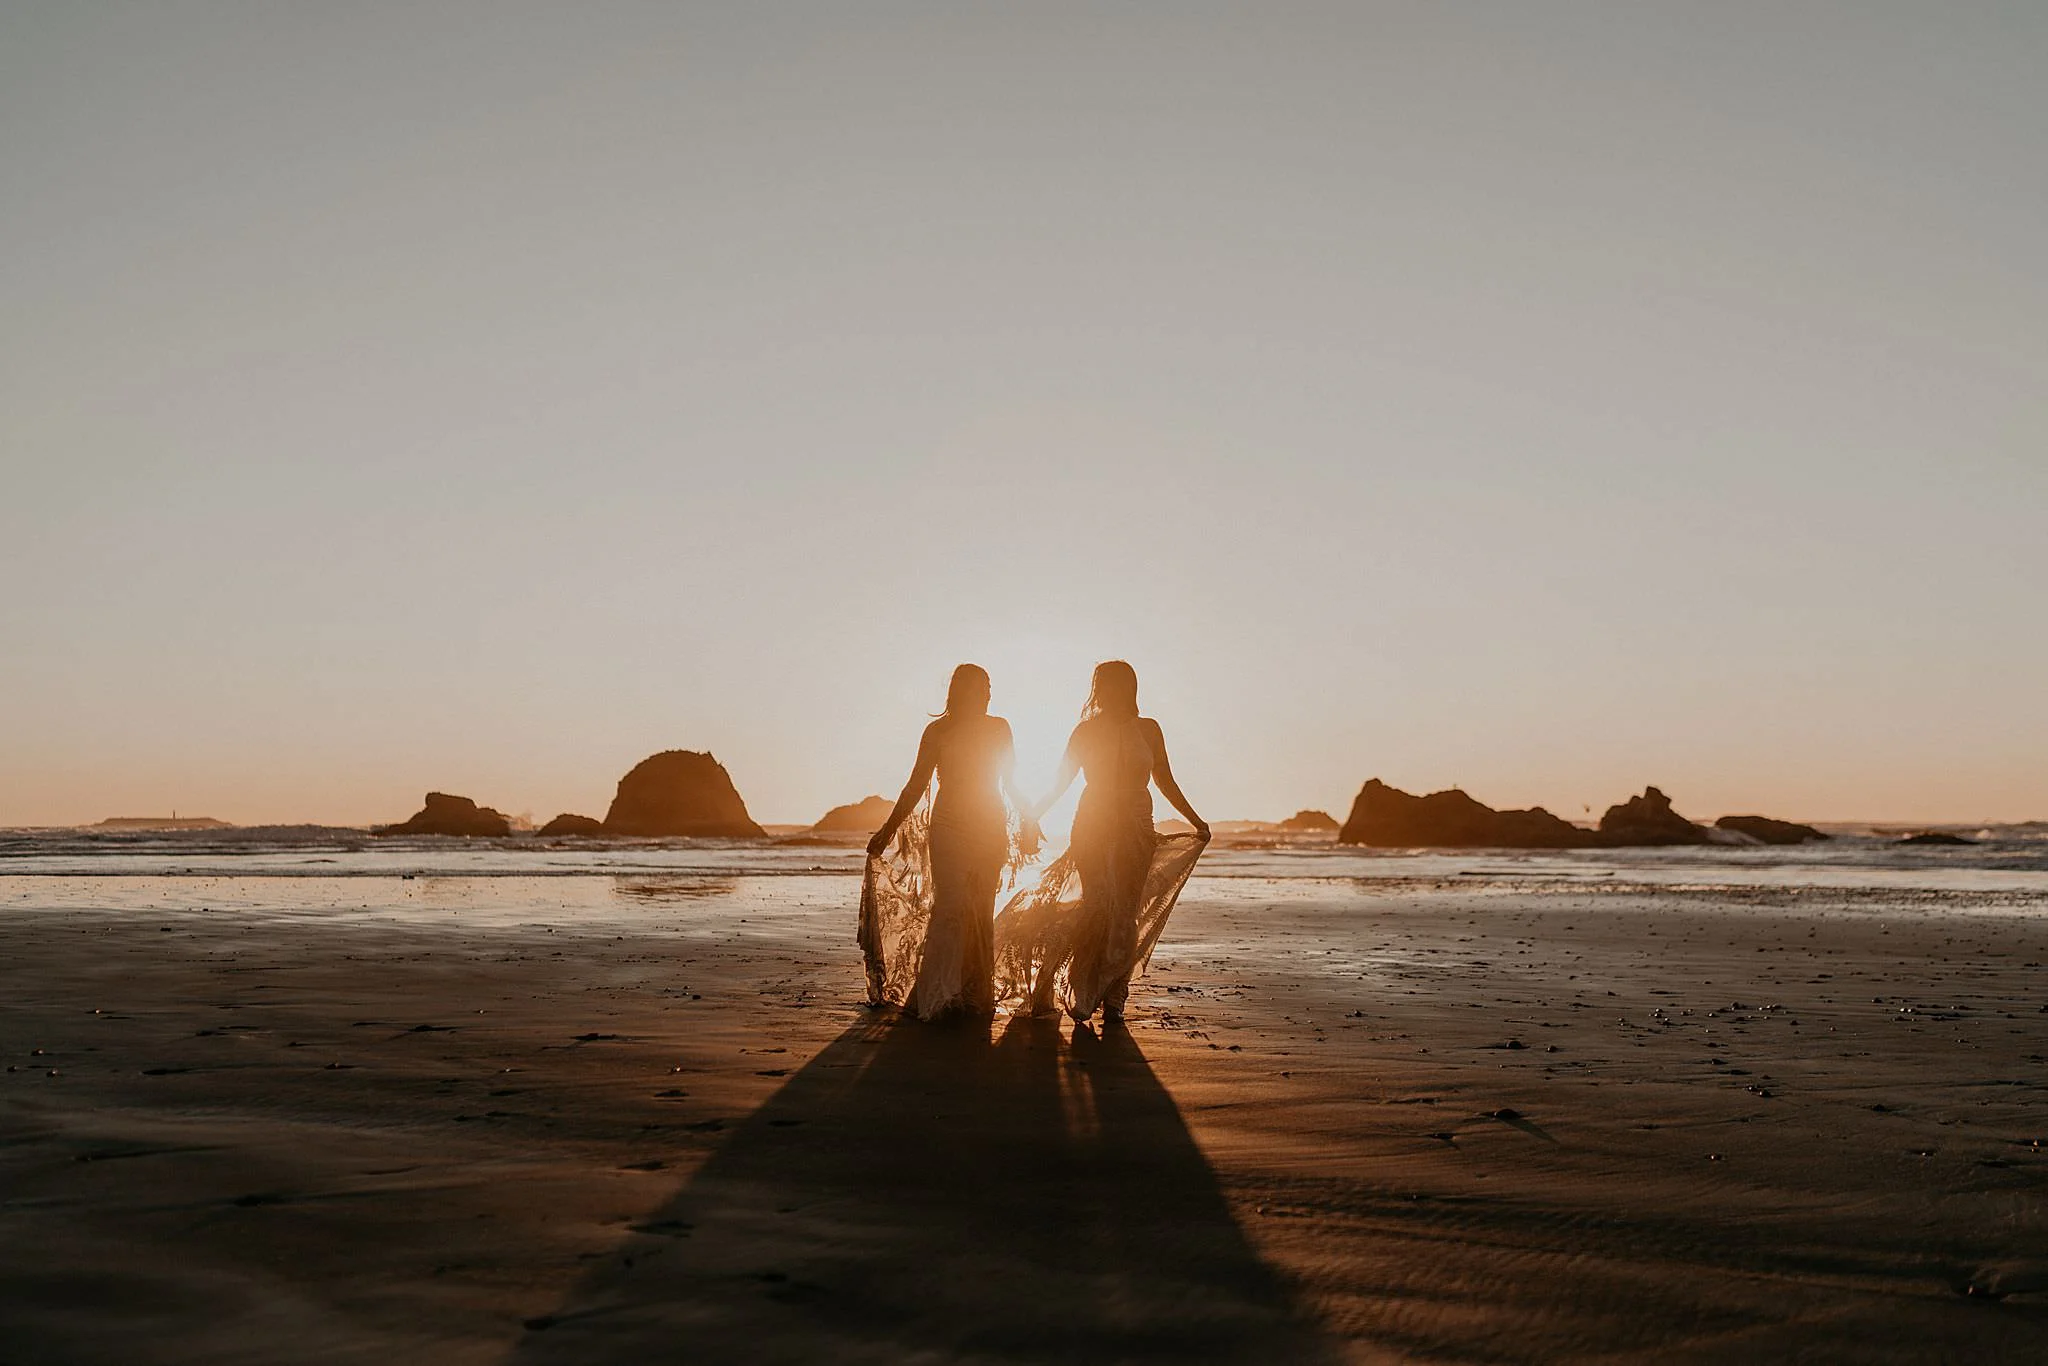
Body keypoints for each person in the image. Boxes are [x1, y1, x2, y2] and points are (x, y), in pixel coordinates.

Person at [1012, 660, 1209, 1023]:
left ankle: (1115, 994)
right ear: (1099, 689)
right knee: (1097, 904)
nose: (1109, 691)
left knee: (1125, 912)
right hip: (1093, 822)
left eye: (1117, 684)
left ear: (1129, 688)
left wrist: (1196, 821)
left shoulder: (1149, 729)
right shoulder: (1084, 732)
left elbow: (1165, 780)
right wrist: (1033, 815)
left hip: (1137, 825)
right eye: (1104, 685)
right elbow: (1061, 781)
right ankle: (1084, 989)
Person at [861, 664, 1032, 1020]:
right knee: (951, 905)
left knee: (981, 911)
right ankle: (941, 995)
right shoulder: (938, 731)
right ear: (960, 691)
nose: (986, 693)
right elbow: (915, 784)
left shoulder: (1000, 728)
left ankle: (975, 995)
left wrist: (1028, 819)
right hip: (949, 825)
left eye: (988, 686)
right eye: (979, 687)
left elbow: (1012, 780)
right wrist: (888, 829)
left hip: (989, 824)